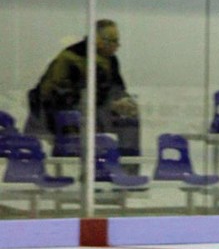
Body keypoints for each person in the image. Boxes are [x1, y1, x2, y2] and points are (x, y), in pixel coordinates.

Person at [25, 19, 140, 156]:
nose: (116, 46)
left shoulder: (111, 61)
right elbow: (51, 93)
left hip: (97, 113)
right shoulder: (71, 58)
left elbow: (117, 88)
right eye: (112, 41)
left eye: (117, 41)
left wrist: (123, 101)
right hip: (61, 115)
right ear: (97, 39)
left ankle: (127, 163)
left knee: (130, 119)